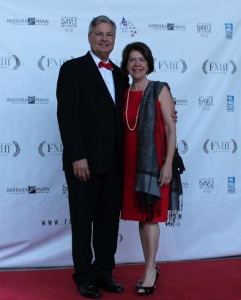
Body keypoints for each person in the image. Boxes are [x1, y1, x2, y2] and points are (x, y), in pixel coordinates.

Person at [56, 15, 129, 298]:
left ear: (114, 39)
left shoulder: (122, 74)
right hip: (83, 163)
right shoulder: (72, 69)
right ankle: (84, 277)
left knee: (109, 222)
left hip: (115, 163)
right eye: (99, 34)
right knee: (83, 221)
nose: (104, 39)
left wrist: (166, 111)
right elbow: (67, 117)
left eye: (109, 35)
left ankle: (104, 273)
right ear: (89, 37)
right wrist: (77, 157)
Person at [120, 42, 181, 296]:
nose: (137, 64)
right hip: (129, 165)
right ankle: (150, 268)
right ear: (126, 65)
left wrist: (167, 165)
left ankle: (149, 270)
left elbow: (170, 128)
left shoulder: (159, 89)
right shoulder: (122, 93)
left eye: (141, 59)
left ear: (148, 63)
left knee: (151, 218)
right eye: (132, 59)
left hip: (154, 165)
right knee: (142, 219)